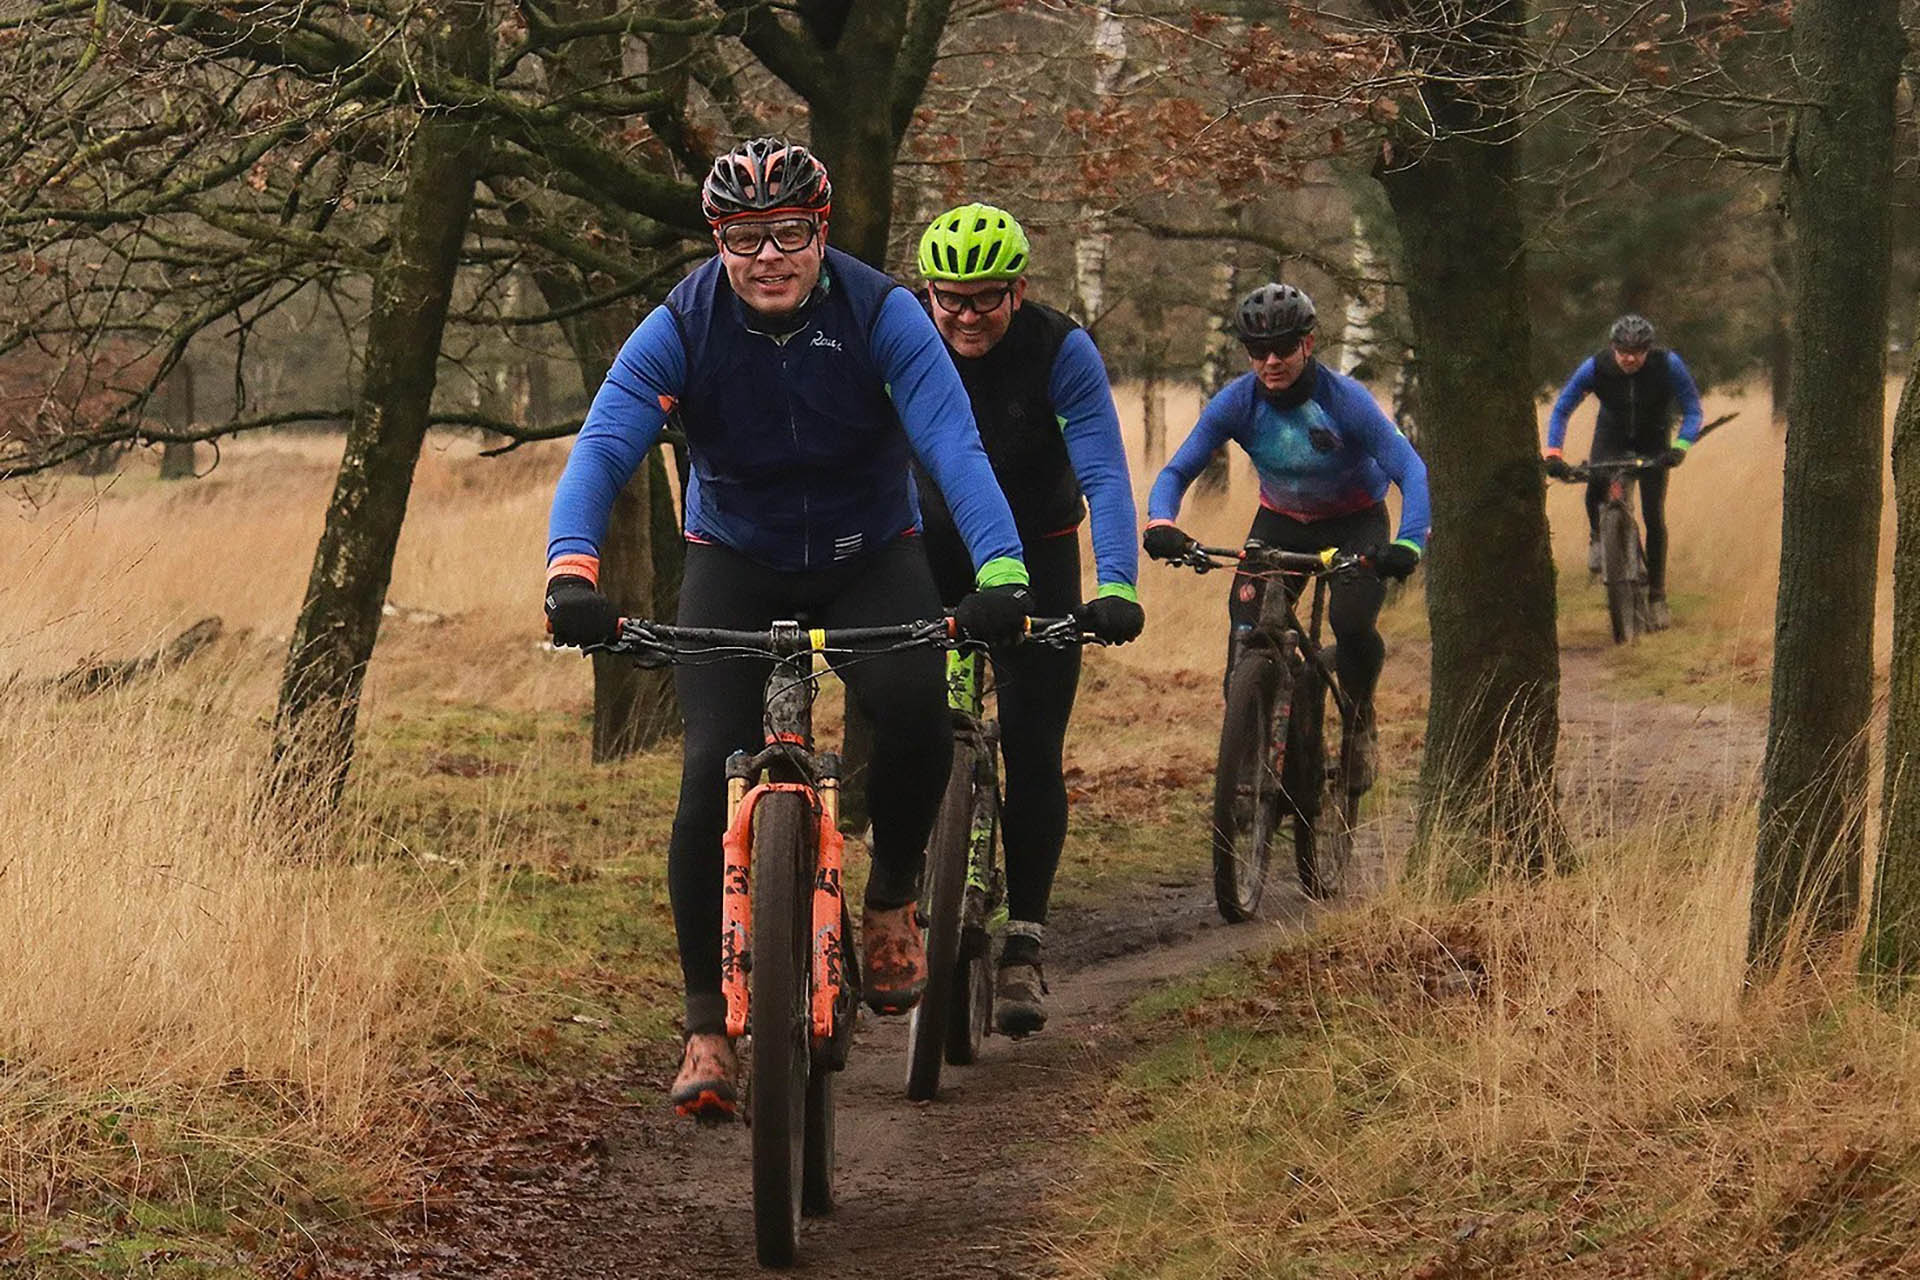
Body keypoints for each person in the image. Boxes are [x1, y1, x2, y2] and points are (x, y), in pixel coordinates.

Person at [542, 139, 1033, 1118]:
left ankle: (890, 902)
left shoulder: (882, 311)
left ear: (823, 229)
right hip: (737, 554)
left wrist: (1004, 569)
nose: (769, 256)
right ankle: (706, 1031)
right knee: (704, 776)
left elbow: (951, 441)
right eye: (743, 237)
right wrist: (570, 567)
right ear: (719, 240)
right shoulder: (684, 320)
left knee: (913, 711)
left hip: (868, 552)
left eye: (791, 234)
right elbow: (606, 441)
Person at [912, 202, 1144, 1037]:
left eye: (987, 298)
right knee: (905, 723)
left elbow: (1107, 475)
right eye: (951, 299)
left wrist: (1115, 583)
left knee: (1033, 742)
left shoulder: (1058, 349)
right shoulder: (904, 338)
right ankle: (902, 905)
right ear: (928, 294)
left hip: (1041, 554)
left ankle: (1022, 943)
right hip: (929, 550)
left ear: (1019, 289)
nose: (968, 316)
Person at [1142, 283, 1430, 792]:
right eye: (1257, 351)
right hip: (1280, 521)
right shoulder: (1236, 402)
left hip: (1354, 520)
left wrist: (1408, 543)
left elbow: (1410, 469)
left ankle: (1359, 721)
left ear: (1308, 345)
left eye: (1282, 348)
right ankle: (1252, 742)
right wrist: (1161, 521)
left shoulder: (1345, 400)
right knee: (1247, 626)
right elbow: (1176, 471)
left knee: (1350, 619)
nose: (1270, 361)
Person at [1541, 313, 1704, 631]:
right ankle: (1597, 537)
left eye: (1638, 351)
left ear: (1649, 349)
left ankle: (1657, 597)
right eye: (1623, 351)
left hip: (1654, 439)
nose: (1629, 358)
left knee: (1653, 516)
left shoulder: (1668, 364)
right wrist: (1554, 453)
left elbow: (1693, 409)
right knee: (1595, 482)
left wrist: (1681, 446)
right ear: (1612, 347)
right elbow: (1562, 408)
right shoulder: (1596, 366)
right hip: (1611, 434)